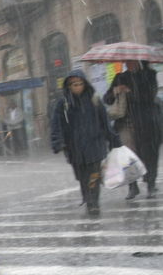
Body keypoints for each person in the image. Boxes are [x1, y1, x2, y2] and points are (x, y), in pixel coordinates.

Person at [50, 71, 119, 217]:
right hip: (75, 148)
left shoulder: (94, 100)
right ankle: (87, 197)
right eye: (74, 84)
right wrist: (58, 142)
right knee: (82, 177)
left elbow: (104, 122)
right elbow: (57, 125)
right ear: (69, 87)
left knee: (94, 175)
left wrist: (113, 139)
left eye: (80, 84)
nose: (78, 87)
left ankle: (93, 202)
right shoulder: (63, 104)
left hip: (94, 145)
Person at [103, 60, 162, 199]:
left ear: (139, 61)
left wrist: (130, 92)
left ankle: (151, 185)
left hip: (146, 122)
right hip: (126, 124)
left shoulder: (149, 75)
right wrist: (115, 91)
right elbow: (107, 99)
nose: (129, 64)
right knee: (127, 157)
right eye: (127, 61)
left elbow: (150, 96)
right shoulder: (120, 77)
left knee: (149, 155)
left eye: (132, 61)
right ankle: (133, 186)